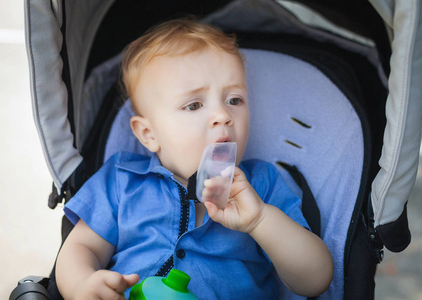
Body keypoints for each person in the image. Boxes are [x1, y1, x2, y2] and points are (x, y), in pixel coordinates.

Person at [56, 19, 333, 299]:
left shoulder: (262, 185)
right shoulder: (121, 181)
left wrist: (259, 220)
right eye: (194, 105)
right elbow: (82, 248)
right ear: (149, 134)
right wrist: (81, 284)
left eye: (234, 100)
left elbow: (315, 279)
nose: (223, 116)